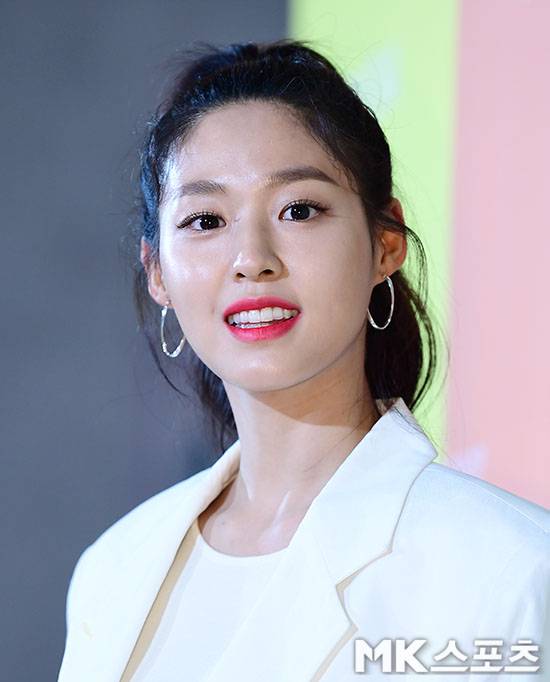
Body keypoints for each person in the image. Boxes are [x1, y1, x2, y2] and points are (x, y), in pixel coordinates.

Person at [57, 40, 549, 682]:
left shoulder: (510, 567)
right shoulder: (113, 571)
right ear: (157, 272)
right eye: (205, 220)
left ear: (385, 243)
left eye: (299, 210)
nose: (251, 259)